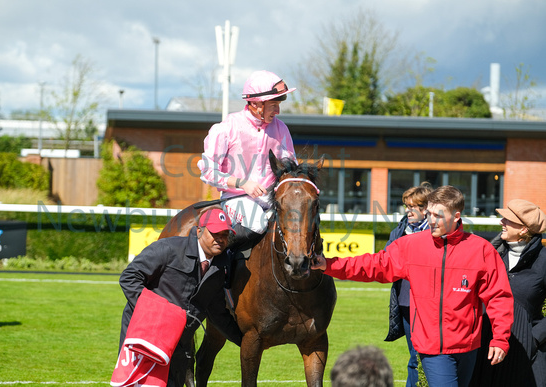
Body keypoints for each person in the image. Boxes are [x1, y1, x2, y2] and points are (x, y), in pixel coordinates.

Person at [312, 185, 514, 387]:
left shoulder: (482, 250)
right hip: (432, 348)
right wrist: (329, 264)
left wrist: (500, 339)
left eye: (438, 215)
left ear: (456, 216)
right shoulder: (410, 246)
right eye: (429, 214)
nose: (431, 220)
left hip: (468, 347)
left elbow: (499, 297)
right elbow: (372, 265)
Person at [118, 208, 243, 387]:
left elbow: (217, 311)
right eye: (215, 233)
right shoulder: (168, 248)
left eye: (225, 234)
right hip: (145, 337)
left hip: (179, 343)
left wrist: (244, 339)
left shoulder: (220, 265)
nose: (220, 239)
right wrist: (158, 313)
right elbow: (129, 277)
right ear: (199, 231)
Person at [197, 70, 297, 250]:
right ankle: (223, 267)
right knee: (257, 223)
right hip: (236, 198)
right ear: (257, 104)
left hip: (271, 199)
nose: (278, 110)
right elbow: (208, 172)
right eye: (274, 104)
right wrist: (243, 183)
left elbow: (291, 167)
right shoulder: (226, 128)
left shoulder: (282, 129)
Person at [470, 199, 546, 387]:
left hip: (526, 350)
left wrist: (534, 337)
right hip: (485, 345)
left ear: (523, 230)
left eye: (507, 219)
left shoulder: (544, 260)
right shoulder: (490, 253)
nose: (501, 222)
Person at [384, 183, 432, 387]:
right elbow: (385, 262)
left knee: (427, 357)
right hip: (405, 303)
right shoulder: (399, 231)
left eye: (413, 206)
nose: (408, 210)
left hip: (430, 304)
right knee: (414, 358)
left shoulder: (439, 231)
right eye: (406, 205)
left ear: (426, 209)